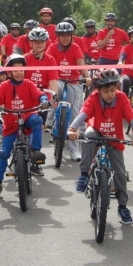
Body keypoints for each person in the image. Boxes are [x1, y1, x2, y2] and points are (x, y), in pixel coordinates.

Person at [68, 69, 133, 225]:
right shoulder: (93, 97)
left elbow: (132, 118)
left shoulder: (122, 98)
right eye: (105, 91)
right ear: (98, 90)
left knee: (120, 174)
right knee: (88, 136)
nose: (110, 94)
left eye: (113, 90)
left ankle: (122, 207)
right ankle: (83, 174)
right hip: (96, 131)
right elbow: (83, 113)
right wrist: (72, 129)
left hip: (114, 137)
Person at [0, 54, 50, 199]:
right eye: (15, 70)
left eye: (21, 70)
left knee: (37, 121)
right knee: (3, 153)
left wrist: (43, 99)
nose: (18, 72)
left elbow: (39, 93)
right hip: (11, 123)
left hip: (27, 117)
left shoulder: (28, 84)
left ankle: (35, 151)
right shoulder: (4, 86)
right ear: (9, 72)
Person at [45, 21, 90, 161]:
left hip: (74, 81)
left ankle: (74, 150)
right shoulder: (52, 47)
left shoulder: (76, 47)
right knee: (53, 92)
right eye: (62, 35)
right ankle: (49, 118)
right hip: (57, 80)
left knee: (74, 115)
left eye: (68, 35)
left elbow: (81, 64)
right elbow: (46, 63)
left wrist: (87, 77)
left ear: (72, 36)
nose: (65, 38)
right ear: (57, 36)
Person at [24, 27, 60, 174]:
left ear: (46, 43)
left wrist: (54, 97)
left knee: (39, 125)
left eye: (42, 42)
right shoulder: (25, 58)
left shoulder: (50, 59)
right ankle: (18, 153)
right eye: (36, 42)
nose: (39, 44)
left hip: (43, 95)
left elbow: (53, 80)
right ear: (31, 43)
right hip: (26, 94)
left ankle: (35, 160)